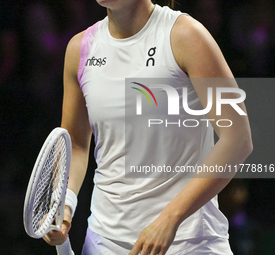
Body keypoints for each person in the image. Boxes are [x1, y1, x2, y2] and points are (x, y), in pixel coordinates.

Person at [44, 0, 253, 254]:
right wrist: (65, 202)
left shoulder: (186, 35)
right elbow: (75, 143)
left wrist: (170, 219)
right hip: (104, 241)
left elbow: (238, 138)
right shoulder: (80, 49)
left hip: (188, 242)